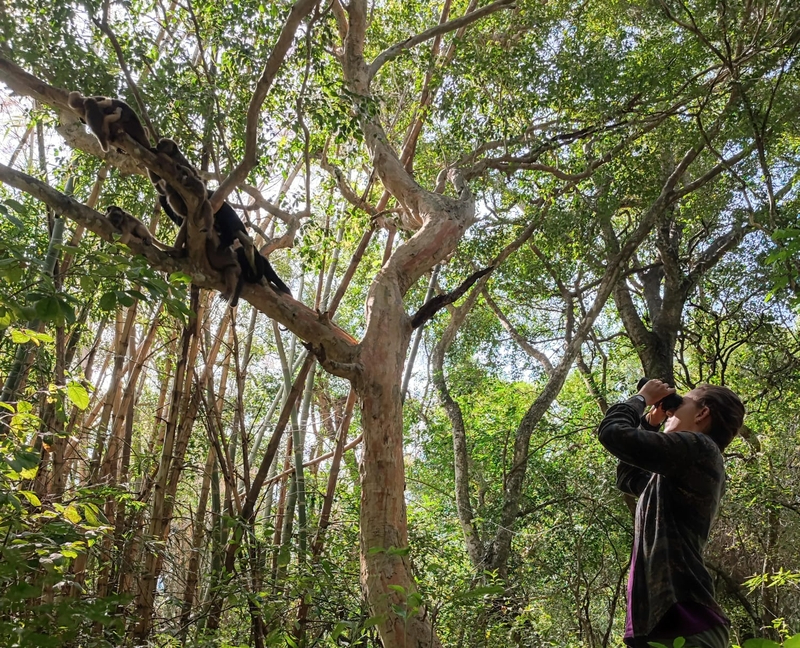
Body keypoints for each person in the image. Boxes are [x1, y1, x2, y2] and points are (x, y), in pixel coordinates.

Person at [597, 379, 745, 648]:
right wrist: (650, 422)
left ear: (702, 413)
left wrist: (640, 399)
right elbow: (628, 478)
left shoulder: (701, 448)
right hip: (662, 625)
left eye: (680, 404)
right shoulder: (677, 471)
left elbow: (613, 434)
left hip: (687, 622)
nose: (670, 412)